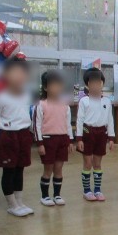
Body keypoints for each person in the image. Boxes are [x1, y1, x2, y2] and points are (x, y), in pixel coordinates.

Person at [0, 58, 34, 217]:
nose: (19, 76)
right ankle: (11, 204)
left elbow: (28, 115)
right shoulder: (0, 98)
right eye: (15, 72)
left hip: (24, 135)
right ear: (6, 75)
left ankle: (19, 201)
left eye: (22, 73)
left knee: (20, 169)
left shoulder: (27, 95)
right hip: (8, 136)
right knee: (9, 170)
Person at [34, 70, 74, 207]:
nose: (56, 88)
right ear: (46, 88)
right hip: (47, 140)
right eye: (53, 85)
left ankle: (57, 195)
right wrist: (40, 143)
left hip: (62, 140)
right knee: (48, 169)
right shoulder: (41, 105)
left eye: (58, 85)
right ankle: (45, 196)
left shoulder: (65, 105)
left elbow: (68, 124)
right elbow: (37, 125)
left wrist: (70, 140)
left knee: (58, 168)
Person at [76, 67, 115, 202]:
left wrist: (111, 138)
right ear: (87, 84)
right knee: (88, 163)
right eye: (92, 82)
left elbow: (110, 119)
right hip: (88, 133)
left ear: (102, 83)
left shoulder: (107, 101)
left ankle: (97, 190)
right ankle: (87, 191)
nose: (96, 85)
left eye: (99, 82)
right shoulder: (84, 101)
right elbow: (80, 120)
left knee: (97, 164)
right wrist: (79, 138)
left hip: (101, 134)